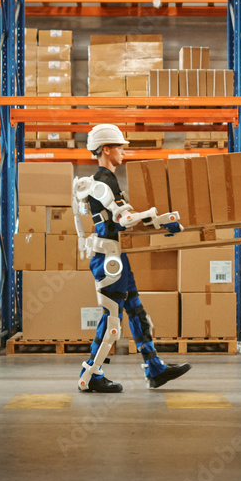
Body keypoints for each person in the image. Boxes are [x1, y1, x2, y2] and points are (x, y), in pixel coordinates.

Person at [71, 124, 191, 393]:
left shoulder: (100, 181)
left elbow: (123, 218)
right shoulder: (103, 181)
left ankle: (155, 368)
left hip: (115, 255)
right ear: (106, 149)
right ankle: (90, 374)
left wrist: (160, 222)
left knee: (136, 312)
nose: (123, 151)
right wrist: (161, 217)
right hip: (108, 258)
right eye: (119, 147)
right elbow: (123, 219)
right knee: (112, 320)